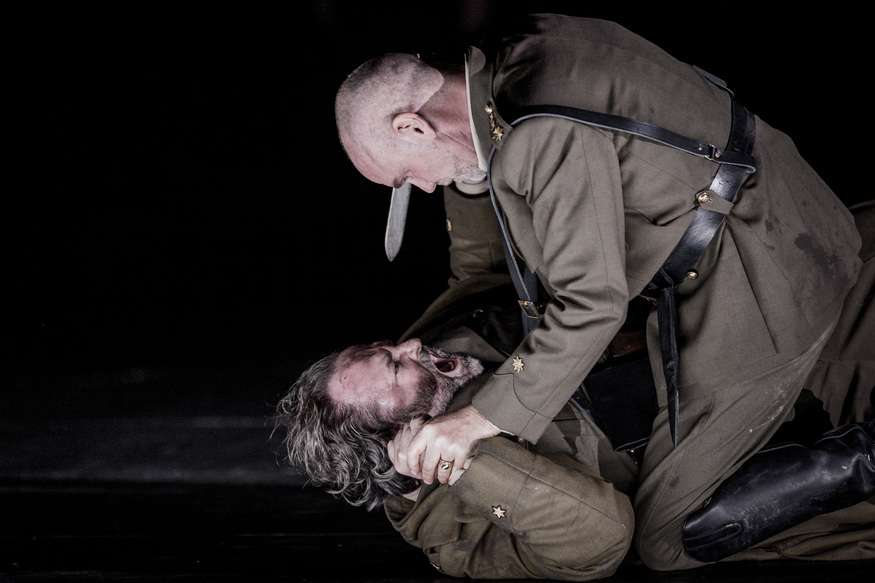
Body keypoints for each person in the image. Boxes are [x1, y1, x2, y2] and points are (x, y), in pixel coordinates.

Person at [332, 14, 869, 570]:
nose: (422, 186)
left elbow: (592, 307)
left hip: (762, 269)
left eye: (405, 177)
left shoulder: (535, 139)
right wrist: (469, 174)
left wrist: (481, 419)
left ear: (413, 128)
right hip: (785, 203)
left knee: (670, 536)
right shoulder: (526, 48)